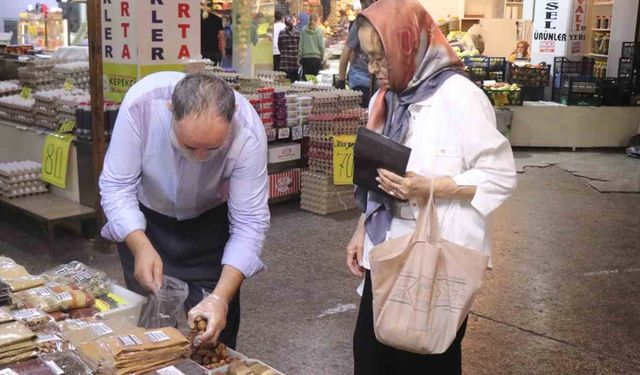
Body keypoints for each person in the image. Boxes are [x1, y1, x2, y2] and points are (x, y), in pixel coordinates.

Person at [345, 0, 517, 373]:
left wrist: (432, 188)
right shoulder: (386, 98)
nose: (375, 70)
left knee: (425, 360)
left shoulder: (459, 97)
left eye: (382, 58)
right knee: (372, 358)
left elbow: (500, 175)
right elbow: (376, 176)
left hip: (435, 263)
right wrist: (361, 230)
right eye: (369, 60)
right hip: (386, 253)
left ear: (409, 45)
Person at [100, 72, 270, 349]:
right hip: (146, 222)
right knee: (147, 327)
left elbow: (249, 222)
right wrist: (140, 245)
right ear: (170, 110)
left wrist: (220, 298)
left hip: (209, 225)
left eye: (213, 148)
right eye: (190, 146)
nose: (201, 157)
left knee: (211, 335)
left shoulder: (248, 130)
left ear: (233, 115)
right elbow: (117, 186)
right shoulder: (142, 105)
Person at [337, 0, 377, 107]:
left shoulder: (381, 21)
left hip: (375, 82)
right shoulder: (360, 23)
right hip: (360, 80)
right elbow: (347, 50)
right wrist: (341, 81)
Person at [298, 14, 325, 79]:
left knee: (306, 80)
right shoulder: (319, 30)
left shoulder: (303, 30)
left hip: (306, 58)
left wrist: (299, 57)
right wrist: (322, 56)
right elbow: (321, 45)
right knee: (315, 80)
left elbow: (301, 44)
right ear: (317, 20)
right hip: (316, 58)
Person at [278, 16, 301, 83]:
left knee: (286, 83)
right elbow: (299, 46)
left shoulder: (281, 33)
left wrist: (283, 53)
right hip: (294, 62)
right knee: (295, 83)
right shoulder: (297, 33)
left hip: (285, 63)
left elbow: (279, 45)